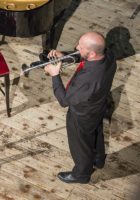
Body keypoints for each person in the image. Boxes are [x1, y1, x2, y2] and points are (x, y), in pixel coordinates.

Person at [44, 32, 117, 184]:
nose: (77, 47)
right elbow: (84, 57)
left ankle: (82, 174)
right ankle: (98, 160)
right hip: (98, 107)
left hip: (82, 114)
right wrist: (64, 55)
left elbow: (64, 100)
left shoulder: (88, 78)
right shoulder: (108, 55)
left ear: (92, 53)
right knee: (96, 134)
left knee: (80, 145)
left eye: (80, 47)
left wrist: (55, 75)